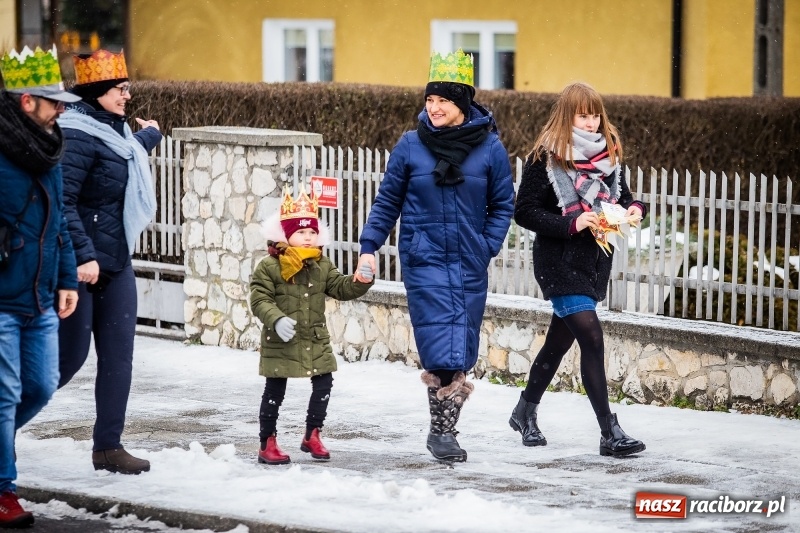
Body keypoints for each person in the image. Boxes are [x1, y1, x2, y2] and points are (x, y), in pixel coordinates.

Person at [354, 49, 515, 462]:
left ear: (461, 102)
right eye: (430, 100)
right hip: (424, 259)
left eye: (443, 100)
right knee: (439, 349)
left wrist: (486, 247)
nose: (435, 108)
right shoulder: (410, 146)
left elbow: (502, 205)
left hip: (468, 262)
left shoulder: (491, 149)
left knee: (461, 349)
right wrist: (369, 246)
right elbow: (387, 202)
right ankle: (442, 433)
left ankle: (442, 430)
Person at [509, 82, 646, 457]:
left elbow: (624, 198)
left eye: (594, 114)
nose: (589, 122)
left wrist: (635, 209)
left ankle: (525, 410)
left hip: (594, 262)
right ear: (567, 117)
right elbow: (524, 211)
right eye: (581, 115)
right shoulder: (546, 157)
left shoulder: (610, 158)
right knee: (591, 337)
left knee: (558, 342)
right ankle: (609, 432)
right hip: (558, 263)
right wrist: (572, 223)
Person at [56, 49, 162, 475]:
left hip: (115, 263)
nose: (128, 95)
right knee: (68, 359)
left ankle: (108, 447)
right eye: (121, 89)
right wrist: (83, 255)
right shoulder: (75, 133)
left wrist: (147, 139)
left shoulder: (113, 132)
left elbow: (120, 158)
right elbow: (63, 202)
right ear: (99, 91)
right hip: (81, 268)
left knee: (119, 359)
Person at [0, 45, 80, 528]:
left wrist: (67, 278)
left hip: (40, 298)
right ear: (27, 101)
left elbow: (61, 225)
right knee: (5, 393)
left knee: (41, 386)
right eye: (54, 102)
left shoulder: (49, 149)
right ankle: (4, 491)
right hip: (3, 297)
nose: (61, 110)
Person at [250, 187, 373, 465]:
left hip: (314, 338)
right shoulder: (269, 266)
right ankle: (266, 441)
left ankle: (312, 434)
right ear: (285, 234)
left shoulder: (321, 264)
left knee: (324, 383)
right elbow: (259, 298)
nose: (308, 236)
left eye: (312, 232)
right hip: (281, 338)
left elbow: (340, 287)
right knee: (275, 390)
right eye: (302, 232)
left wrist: (360, 280)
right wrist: (276, 318)